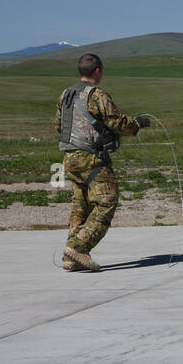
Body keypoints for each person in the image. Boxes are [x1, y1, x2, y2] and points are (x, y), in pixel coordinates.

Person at [55, 54, 149, 272]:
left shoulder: (65, 95)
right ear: (97, 71)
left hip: (70, 157)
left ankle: (71, 257)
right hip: (91, 158)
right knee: (107, 201)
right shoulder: (97, 95)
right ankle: (78, 247)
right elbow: (116, 123)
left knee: (80, 206)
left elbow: (59, 127)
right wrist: (136, 125)